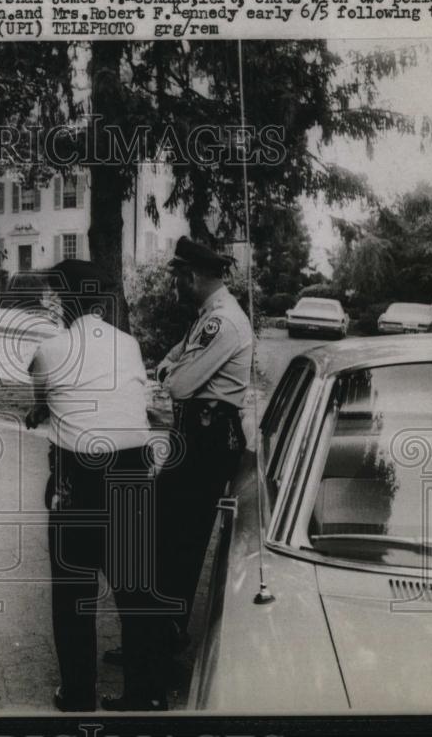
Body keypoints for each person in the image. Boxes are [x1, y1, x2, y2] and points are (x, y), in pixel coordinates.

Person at [26, 260, 167, 712]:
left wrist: (43, 410)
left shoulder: (50, 349)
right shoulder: (129, 345)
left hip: (80, 477)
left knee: (73, 590)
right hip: (132, 474)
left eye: (53, 294)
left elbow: (43, 397)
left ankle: (79, 693)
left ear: (64, 300)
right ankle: (145, 693)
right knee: (136, 591)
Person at [154, 236, 252, 645]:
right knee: (164, 534)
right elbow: (169, 363)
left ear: (191, 277)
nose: (173, 285)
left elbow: (177, 382)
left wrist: (172, 373)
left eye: (177, 277)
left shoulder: (222, 321)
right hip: (195, 436)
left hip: (207, 441)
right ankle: (155, 635)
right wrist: (171, 371)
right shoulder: (208, 315)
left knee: (180, 541)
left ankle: (163, 640)